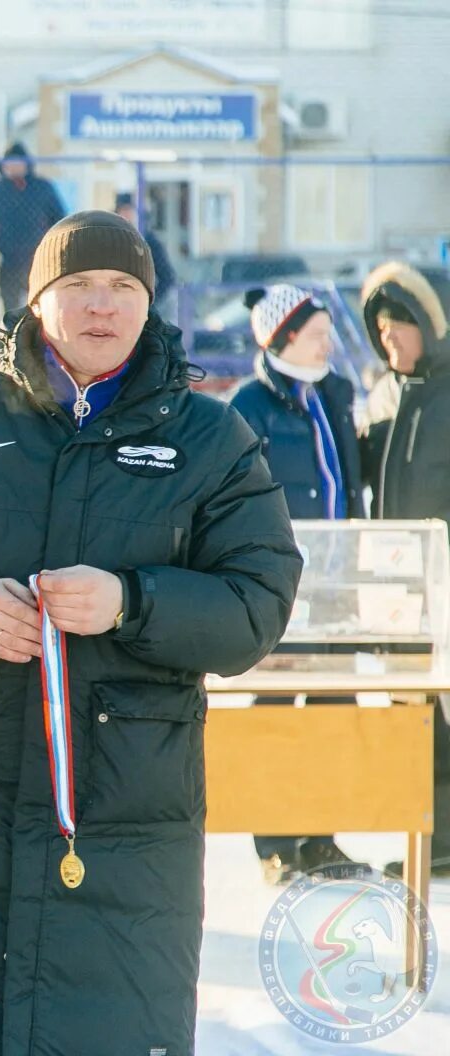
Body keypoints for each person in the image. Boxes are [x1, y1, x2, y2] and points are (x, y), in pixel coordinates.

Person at [0, 211, 301, 1056]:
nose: (101, 306)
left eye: (123, 288)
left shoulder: (211, 439)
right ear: (36, 300)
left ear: (149, 305)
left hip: (127, 831)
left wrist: (133, 601)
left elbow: (257, 605)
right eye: (77, 285)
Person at [229, 285, 363, 884]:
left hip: (337, 583)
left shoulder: (333, 394)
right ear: (283, 340)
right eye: (315, 335)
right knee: (280, 709)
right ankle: (276, 842)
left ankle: (323, 835)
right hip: (282, 586)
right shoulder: (250, 406)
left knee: (336, 708)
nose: (328, 343)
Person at [358, 261, 450, 879]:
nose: (391, 341)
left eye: (402, 329)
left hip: (445, 585)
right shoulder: (383, 393)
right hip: (398, 587)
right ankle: (431, 837)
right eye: (383, 331)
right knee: (415, 718)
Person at [0, 141, 66, 316]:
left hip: (39, 260)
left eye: (18, 161)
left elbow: (60, 221)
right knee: (11, 312)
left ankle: (39, 342)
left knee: (42, 309)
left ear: (27, 164)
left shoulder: (42, 188)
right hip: (9, 261)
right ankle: (13, 342)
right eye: (10, 162)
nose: (14, 166)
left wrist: (58, 255)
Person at [115, 191, 176, 304]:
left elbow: (167, 277)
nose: (126, 215)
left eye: (129, 210)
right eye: (122, 211)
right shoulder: (111, 239)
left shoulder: (148, 240)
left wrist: (149, 303)